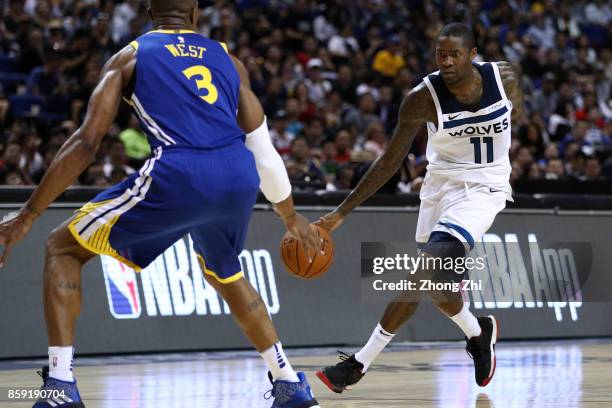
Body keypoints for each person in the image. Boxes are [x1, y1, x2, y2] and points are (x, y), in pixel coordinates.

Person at [0, 1, 322, 407]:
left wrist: (28, 214)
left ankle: (61, 384)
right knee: (225, 272)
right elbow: (264, 151)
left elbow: (87, 141)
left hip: (179, 173)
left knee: (61, 247)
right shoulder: (227, 58)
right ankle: (289, 381)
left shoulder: (130, 56)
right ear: (195, 12)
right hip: (237, 174)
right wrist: (291, 218)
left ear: (151, 11)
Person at [315, 23, 523, 392]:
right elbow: (389, 162)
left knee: (423, 272)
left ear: (473, 54)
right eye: (440, 54)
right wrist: (342, 211)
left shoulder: (503, 78)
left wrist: (500, 155)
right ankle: (479, 333)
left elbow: (513, 112)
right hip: (439, 186)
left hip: (484, 187)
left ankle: (359, 364)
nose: (445, 61)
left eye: (454, 54)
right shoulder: (421, 98)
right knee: (440, 289)